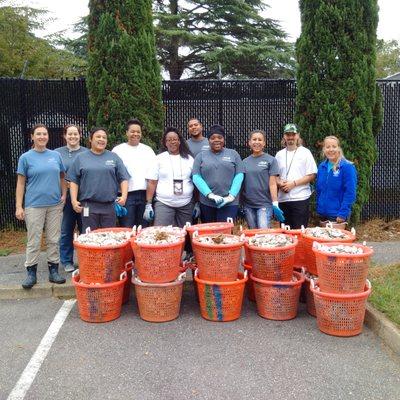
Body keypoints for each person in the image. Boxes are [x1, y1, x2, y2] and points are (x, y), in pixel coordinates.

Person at [16, 124, 67, 289]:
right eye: (38, 134)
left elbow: (62, 177)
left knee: (54, 239)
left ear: (48, 136)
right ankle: (31, 273)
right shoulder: (25, 158)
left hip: (54, 205)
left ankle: (54, 271)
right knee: (34, 240)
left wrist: (64, 195)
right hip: (34, 206)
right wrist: (19, 206)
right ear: (32, 136)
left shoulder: (55, 156)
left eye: (44, 134)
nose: (42, 137)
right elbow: (21, 183)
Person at [68, 127, 129, 231]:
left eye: (104, 137)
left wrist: (124, 196)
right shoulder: (80, 158)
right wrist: (74, 201)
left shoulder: (114, 157)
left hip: (109, 206)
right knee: (89, 237)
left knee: (109, 236)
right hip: (88, 206)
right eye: (98, 137)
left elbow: (124, 178)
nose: (101, 139)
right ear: (91, 139)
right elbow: (74, 181)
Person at [192, 124, 244, 222]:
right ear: (208, 140)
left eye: (220, 137)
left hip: (229, 203)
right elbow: (196, 177)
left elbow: (239, 175)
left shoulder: (233, 154)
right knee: (209, 232)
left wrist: (231, 196)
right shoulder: (200, 156)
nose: (217, 140)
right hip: (207, 203)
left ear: (224, 139)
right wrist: (210, 195)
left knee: (225, 232)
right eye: (213, 138)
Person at [144, 127, 194, 227]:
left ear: (179, 141)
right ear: (165, 143)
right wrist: (148, 204)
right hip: (164, 203)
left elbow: (195, 181)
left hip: (186, 204)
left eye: (174, 139)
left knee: (185, 234)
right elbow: (152, 182)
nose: (172, 142)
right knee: (162, 234)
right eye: (169, 140)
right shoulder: (159, 159)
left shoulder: (189, 159)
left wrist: (197, 203)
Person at [55, 124, 88, 272]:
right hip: (65, 199)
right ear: (64, 135)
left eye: (76, 134)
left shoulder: (87, 153)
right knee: (66, 230)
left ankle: (85, 260)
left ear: (80, 135)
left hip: (85, 198)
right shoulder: (56, 154)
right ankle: (67, 261)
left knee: (85, 229)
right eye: (70, 134)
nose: (73, 137)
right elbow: (54, 175)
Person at [112, 118, 156, 228]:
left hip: (144, 195)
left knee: (144, 228)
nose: (135, 134)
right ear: (126, 132)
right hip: (126, 196)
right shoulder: (118, 150)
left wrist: (149, 202)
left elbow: (153, 175)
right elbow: (112, 174)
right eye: (132, 131)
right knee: (127, 228)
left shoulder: (148, 150)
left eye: (138, 132)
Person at [275, 123, 317, 229]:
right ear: (284, 136)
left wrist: (293, 184)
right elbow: (274, 176)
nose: (290, 137)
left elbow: (312, 174)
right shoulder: (279, 154)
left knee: (300, 231)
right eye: (288, 134)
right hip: (283, 199)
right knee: (285, 232)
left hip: (300, 198)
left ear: (298, 135)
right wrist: (279, 183)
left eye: (293, 134)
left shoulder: (305, 152)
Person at [242, 130, 284, 228]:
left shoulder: (271, 160)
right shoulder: (244, 162)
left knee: (263, 232)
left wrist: (275, 203)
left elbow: (273, 183)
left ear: (264, 143)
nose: (257, 142)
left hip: (264, 204)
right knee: (252, 233)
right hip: (248, 205)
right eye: (254, 139)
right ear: (249, 142)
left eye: (260, 140)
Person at [316, 135, 357, 223]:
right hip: (322, 214)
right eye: (328, 147)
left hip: (337, 216)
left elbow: (350, 192)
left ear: (339, 148)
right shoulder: (321, 167)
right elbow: (319, 190)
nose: (331, 150)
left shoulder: (347, 167)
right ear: (324, 149)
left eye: (334, 146)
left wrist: (343, 213)